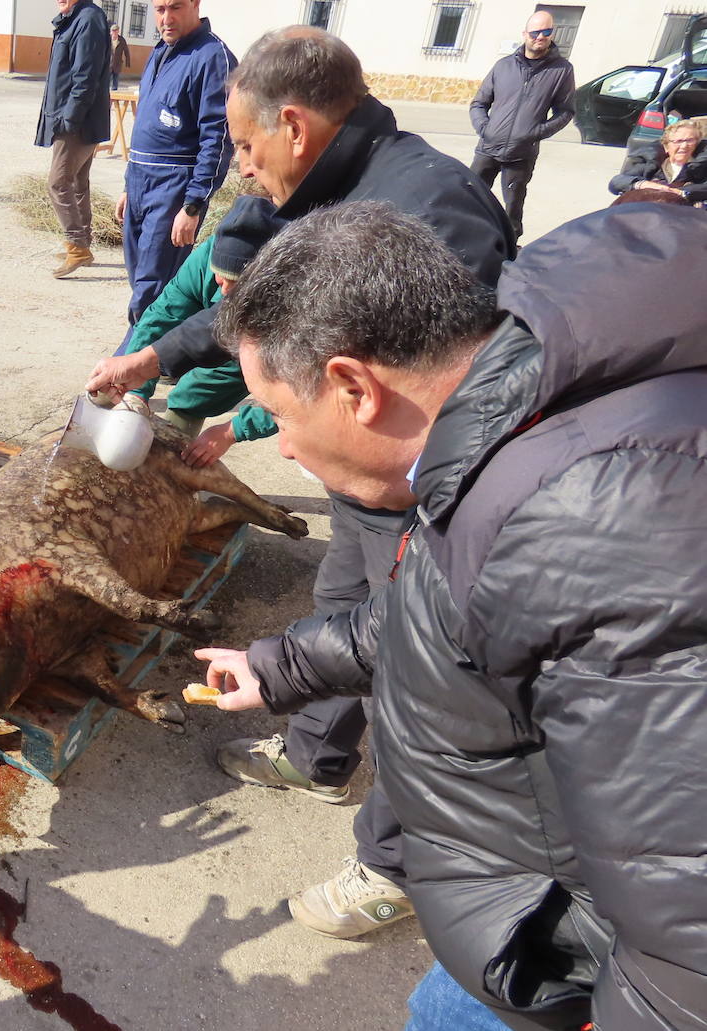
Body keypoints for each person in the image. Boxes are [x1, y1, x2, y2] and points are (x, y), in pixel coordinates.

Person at [199, 198, 707, 1031]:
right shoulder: (509, 427)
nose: (283, 447)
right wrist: (280, 666)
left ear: (353, 387)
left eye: (282, 417)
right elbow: (451, 610)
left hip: (590, 972)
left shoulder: (596, 524)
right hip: (529, 919)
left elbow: (691, 929)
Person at [86, 27, 515, 940]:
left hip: (424, 486)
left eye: (243, 146)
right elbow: (258, 314)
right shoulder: (327, 188)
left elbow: (442, 391)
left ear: (291, 124)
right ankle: (316, 755)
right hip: (370, 482)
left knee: (424, 668)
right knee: (342, 602)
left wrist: (267, 425)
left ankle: (398, 865)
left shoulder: (432, 210)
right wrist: (152, 356)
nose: (240, 167)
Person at [124, 193, 283, 461]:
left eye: (238, 284)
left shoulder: (300, 291)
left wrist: (233, 431)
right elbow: (161, 317)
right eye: (222, 280)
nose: (226, 291)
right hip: (227, 328)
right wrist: (136, 389)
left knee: (193, 394)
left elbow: (308, 395)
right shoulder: (205, 260)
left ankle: (175, 462)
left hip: (263, 337)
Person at [115, 0, 236, 340]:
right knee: (142, 278)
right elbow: (145, 127)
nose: (165, 19)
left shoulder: (214, 58)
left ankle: (132, 372)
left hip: (174, 186)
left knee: (151, 288)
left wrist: (194, 204)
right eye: (159, 9)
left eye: (175, 7)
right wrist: (129, 185)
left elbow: (218, 138)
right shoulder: (159, 52)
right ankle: (169, 353)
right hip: (141, 181)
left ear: (195, 4)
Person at [468, 10, 575, 240]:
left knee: (512, 210)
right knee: (469, 197)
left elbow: (565, 112)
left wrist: (535, 133)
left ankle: (508, 252)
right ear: (525, 33)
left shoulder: (561, 70)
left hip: (521, 154)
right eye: (536, 32)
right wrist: (485, 129)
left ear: (551, 34)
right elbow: (478, 103)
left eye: (546, 32)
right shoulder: (503, 66)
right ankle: (464, 239)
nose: (540, 37)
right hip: (488, 148)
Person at [36, 0, 110, 279]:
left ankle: (77, 245)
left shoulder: (88, 19)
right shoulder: (75, 17)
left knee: (58, 181)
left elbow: (85, 77)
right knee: (78, 182)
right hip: (75, 117)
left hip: (78, 121)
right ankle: (82, 244)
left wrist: (70, 119)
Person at [608, 119, 707, 204]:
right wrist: (643, 184)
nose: (684, 146)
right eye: (679, 141)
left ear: (697, 144)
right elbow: (616, 182)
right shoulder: (651, 162)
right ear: (666, 146)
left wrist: (681, 192)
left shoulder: (702, 166)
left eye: (690, 140)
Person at [109, 23, 130, 92]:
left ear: (118, 31)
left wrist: (128, 62)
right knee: (106, 80)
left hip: (117, 63)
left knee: (115, 79)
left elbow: (126, 51)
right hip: (108, 63)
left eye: (116, 30)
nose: (114, 32)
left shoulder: (121, 40)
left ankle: (114, 93)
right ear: (111, 32)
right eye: (113, 31)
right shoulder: (107, 39)